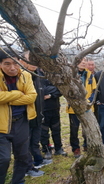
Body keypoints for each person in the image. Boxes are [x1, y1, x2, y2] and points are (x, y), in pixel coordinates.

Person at [0, 48, 37, 184]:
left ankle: (17, 181)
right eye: (7, 64)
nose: (13, 68)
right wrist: (18, 93)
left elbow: (31, 97)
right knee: (3, 159)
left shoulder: (25, 75)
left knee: (22, 156)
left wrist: (6, 97)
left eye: (16, 63)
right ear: (0, 64)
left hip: (21, 121)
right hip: (2, 124)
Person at [20, 52, 48, 177]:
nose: (33, 62)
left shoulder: (36, 76)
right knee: (25, 144)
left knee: (35, 141)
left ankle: (37, 161)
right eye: (30, 60)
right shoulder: (21, 77)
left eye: (35, 59)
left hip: (37, 115)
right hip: (24, 117)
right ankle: (27, 168)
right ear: (22, 61)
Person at [66, 58, 96, 158]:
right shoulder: (70, 74)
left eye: (85, 61)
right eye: (81, 61)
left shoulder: (90, 74)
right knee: (74, 129)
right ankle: (76, 149)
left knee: (87, 128)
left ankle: (87, 145)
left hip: (87, 106)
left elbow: (94, 90)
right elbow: (66, 90)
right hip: (73, 107)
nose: (83, 62)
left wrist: (89, 101)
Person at [40, 70, 67, 158]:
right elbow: (40, 90)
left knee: (56, 129)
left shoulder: (54, 74)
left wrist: (51, 94)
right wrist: (53, 89)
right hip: (43, 108)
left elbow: (61, 89)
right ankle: (46, 149)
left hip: (55, 107)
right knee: (44, 131)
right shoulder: (37, 75)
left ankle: (58, 148)